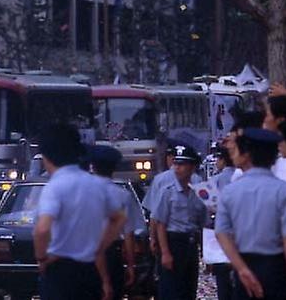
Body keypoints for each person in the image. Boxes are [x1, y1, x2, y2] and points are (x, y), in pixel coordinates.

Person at [32, 124, 121, 300]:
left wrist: (42, 258)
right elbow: (118, 219)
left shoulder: (55, 186)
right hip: (90, 269)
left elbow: (42, 229)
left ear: (47, 157)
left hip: (61, 269)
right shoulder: (95, 184)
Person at [216, 128, 286, 300]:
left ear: (247, 154)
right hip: (276, 267)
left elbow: (221, 233)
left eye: (237, 148)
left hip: (244, 264)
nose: (232, 152)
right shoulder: (283, 190)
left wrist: (241, 269)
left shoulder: (230, 191)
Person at [149, 144, 207, 300]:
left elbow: (202, 223)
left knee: (189, 287)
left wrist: (205, 252)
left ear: (192, 167)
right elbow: (160, 222)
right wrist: (165, 252)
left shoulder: (199, 191)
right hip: (173, 241)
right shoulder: (167, 191)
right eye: (175, 163)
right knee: (170, 288)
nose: (177, 168)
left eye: (181, 164)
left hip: (191, 243)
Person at [88, 145, 138, 300]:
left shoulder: (82, 192)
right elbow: (129, 235)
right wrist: (130, 265)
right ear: (114, 168)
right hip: (111, 255)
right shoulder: (123, 196)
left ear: (92, 167)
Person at [200, 144, 235, 300]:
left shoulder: (214, 181)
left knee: (223, 283)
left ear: (223, 159)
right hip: (245, 236)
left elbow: (208, 211)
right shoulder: (243, 176)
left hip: (222, 235)